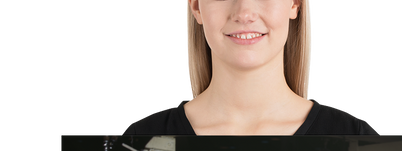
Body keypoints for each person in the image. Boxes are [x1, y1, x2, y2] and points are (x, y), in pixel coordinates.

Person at [121, 0, 380, 135]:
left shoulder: (355, 135)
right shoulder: (138, 137)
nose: (244, 13)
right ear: (197, 7)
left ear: (294, 4)